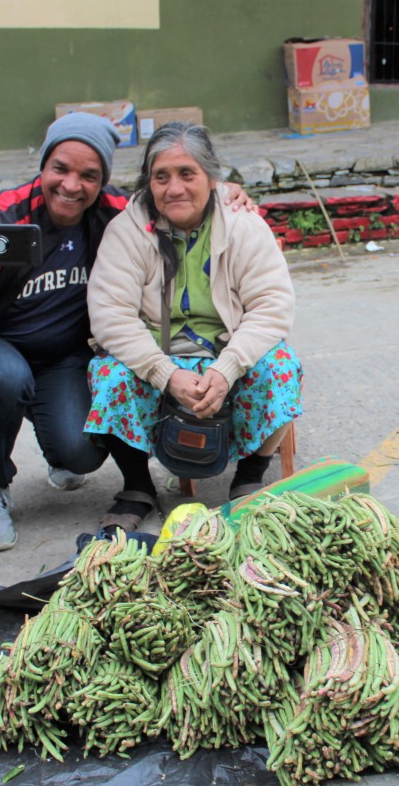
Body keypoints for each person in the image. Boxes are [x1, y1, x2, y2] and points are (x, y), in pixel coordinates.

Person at [0, 113, 250, 552]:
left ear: (102, 181)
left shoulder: (110, 213)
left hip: (63, 359)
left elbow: (169, 196)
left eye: (88, 175)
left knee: (81, 455)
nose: (72, 185)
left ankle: (49, 432)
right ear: (44, 165)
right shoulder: (6, 214)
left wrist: (225, 193)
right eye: (61, 168)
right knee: (1, 380)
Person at [85, 122, 303, 532]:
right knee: (109, 374)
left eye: (188, 174)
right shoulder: (127, 230)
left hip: (226, 350)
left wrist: (228, 367)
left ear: (211, 177)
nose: (174, 188)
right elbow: (111, 315)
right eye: (161, 176)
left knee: (280, 367)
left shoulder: (243, 225)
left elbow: (271, 306)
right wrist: (165, 373)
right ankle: (137, 486)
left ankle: (249, 477)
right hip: (157, 356)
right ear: (148, 182)